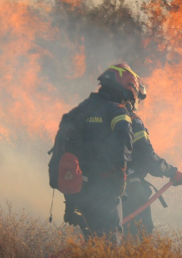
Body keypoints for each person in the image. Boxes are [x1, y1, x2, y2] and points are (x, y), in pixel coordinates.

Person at [49, 64, 135, 242]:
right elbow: (124, 140)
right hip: (103, 188)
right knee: (111, 241)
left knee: (93, 241)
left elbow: (61, 149)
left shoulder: (79, 110)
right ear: (124, 87)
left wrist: (69, 200)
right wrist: (120, 174)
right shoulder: (116, 110)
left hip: (76, 190)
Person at [120, 64, 182, 236]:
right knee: (139, 238)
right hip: (130, 190)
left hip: (98, 192)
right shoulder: (131, 120)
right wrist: (173, 172)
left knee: (104, 241)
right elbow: (147, 157)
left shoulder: (94, 117)